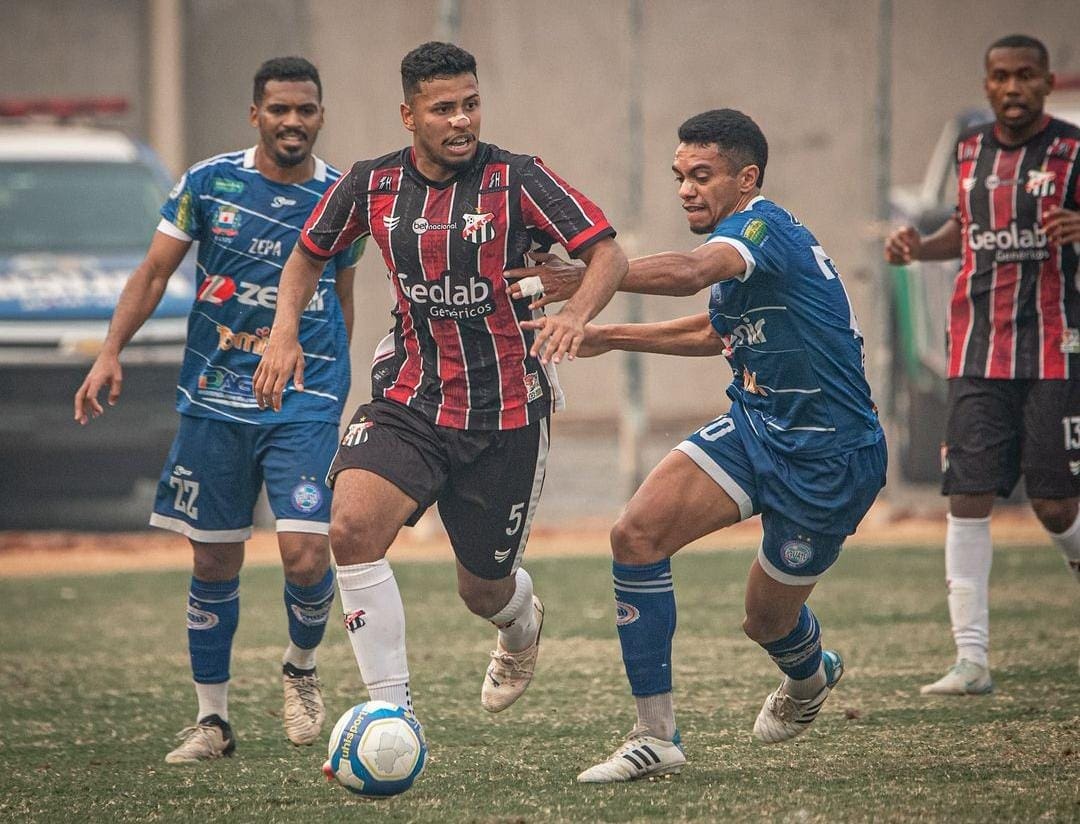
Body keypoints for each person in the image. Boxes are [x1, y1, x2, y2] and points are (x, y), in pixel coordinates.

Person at [252, 40, 627, 756]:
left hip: (505, 413)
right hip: (410, 398)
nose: (461, 120)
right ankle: (392, 718)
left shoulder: (518, 179)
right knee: (351, 530)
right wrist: (283, 332)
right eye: (444, 108)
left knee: (482, 591)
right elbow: (308, 254)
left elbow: (606, 252)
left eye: (471, 105)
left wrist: (577, 313)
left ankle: (519, 625)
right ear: (409, 115)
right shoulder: (371, 184)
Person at [508, 108, 887, 782]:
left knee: (766, 622)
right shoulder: (738, 256)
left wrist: (593, 274)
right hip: (755, 425)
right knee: (636, 535)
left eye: (702, 175)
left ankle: (809, 676)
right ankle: (655, 735)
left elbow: (687, 272)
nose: (686, 188)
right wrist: (608, 336)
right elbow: (715, 333)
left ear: (747, 178)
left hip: (830, 455)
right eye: (679, 175)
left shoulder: (762, 230)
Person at [73, 57, 364, 762]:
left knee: (305, 553)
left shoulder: (341, 199)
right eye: (279, 109)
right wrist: (110, 350)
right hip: (214, 397)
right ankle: (213, 721)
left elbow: (342, 295)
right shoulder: (207, 183)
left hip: (304, 400)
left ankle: (301, 667)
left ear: (321, 116)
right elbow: (153, 273)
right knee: (213, 559)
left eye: (305, 110)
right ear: (255, 114)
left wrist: (331, 383)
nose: (292, 121)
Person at [884, 34, 1080, 695]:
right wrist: (918, 247)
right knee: (967, 495)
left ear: (1046, 82)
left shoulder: (1073, 151)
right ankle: (971, 661)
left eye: (1026, 75)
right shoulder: (970, 150)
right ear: (987, 83)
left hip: (1053, 348)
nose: (1013, 87)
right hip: (977, 349)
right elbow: (964, 232)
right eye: (1001, 76)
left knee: (1054, 504)